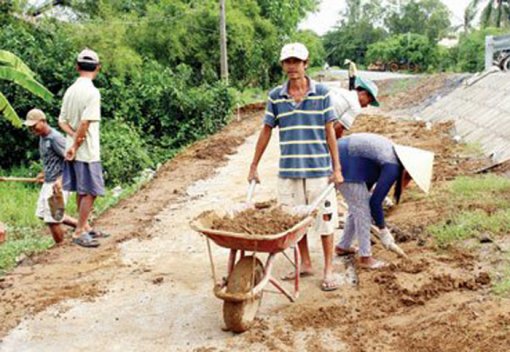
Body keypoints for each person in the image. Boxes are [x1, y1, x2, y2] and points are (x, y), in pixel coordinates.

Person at [248, 42, 343, 291]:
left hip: (318, 171)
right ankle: (305, 264)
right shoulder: (275, 96)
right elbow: (266, 130)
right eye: (287, 62)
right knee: (293, 222)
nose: (292, 67)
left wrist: (337, 168)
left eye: (296, 62)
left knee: (325, 220)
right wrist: (253, 165)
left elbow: (329, 131)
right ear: (282, 65)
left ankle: (329, 270)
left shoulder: (322, 93)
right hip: (289, 171)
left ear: (305, 63)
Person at [334, 132, 434, 269]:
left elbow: (367, 181)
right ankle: (365, 258)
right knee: (363, 210)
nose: (408, 181)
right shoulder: (392, 165)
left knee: (358, 205)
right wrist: (383, 231)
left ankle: (343, 246)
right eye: (410, 177)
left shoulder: (391, 156)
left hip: (344, 157)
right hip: (342, 162)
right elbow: (374, 203)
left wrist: (371, 195)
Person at [58, 48, 105, 248]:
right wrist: (77, 143)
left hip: (73, 148)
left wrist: (72, 140)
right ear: (98, 68)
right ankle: (79, 231)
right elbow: (85, 124)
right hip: (86, 150)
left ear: (77, 67)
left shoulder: (70, 90)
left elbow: (62, 121)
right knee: (91, 191)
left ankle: (83, 226)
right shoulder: (92, 93)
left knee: (81, 189)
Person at [24, 109, 78, 244]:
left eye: (34, 126)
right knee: (44, 214)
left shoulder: (55, 138)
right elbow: (52, 160)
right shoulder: (42, 138)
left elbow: (71, 159)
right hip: (49, 182)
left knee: (52, 219)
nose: (32, 129)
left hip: (58, 183)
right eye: (30, 127)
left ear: (43, 121)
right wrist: (43, 173)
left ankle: (60, 248)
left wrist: (60, 180)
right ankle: (83, 227)